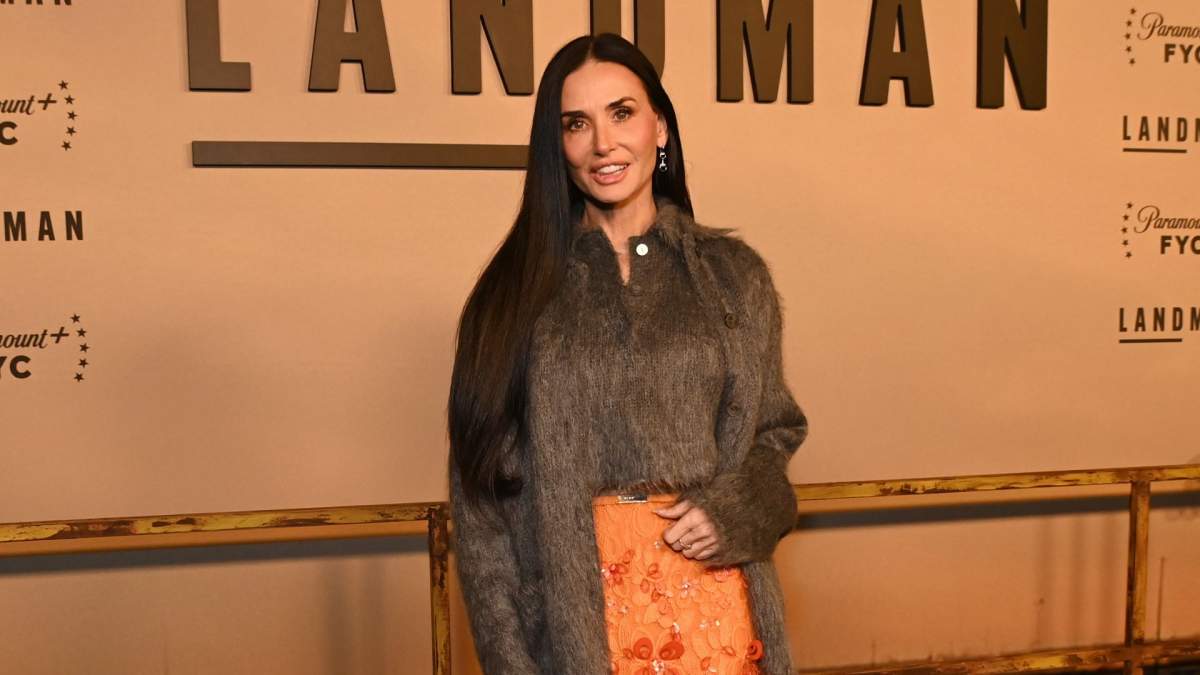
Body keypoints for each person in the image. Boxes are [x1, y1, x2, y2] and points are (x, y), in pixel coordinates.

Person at [446, 32, 808, 675]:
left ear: (659, 127)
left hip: (717, 614)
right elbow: (480, 509)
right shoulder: (511, 296)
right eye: (576, 124)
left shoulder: (732, 276)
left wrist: (738, 510)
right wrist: (509, 661)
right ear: (556, 145)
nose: (603, 144)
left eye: (622, 113)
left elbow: (773, 435)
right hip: (574, 629)